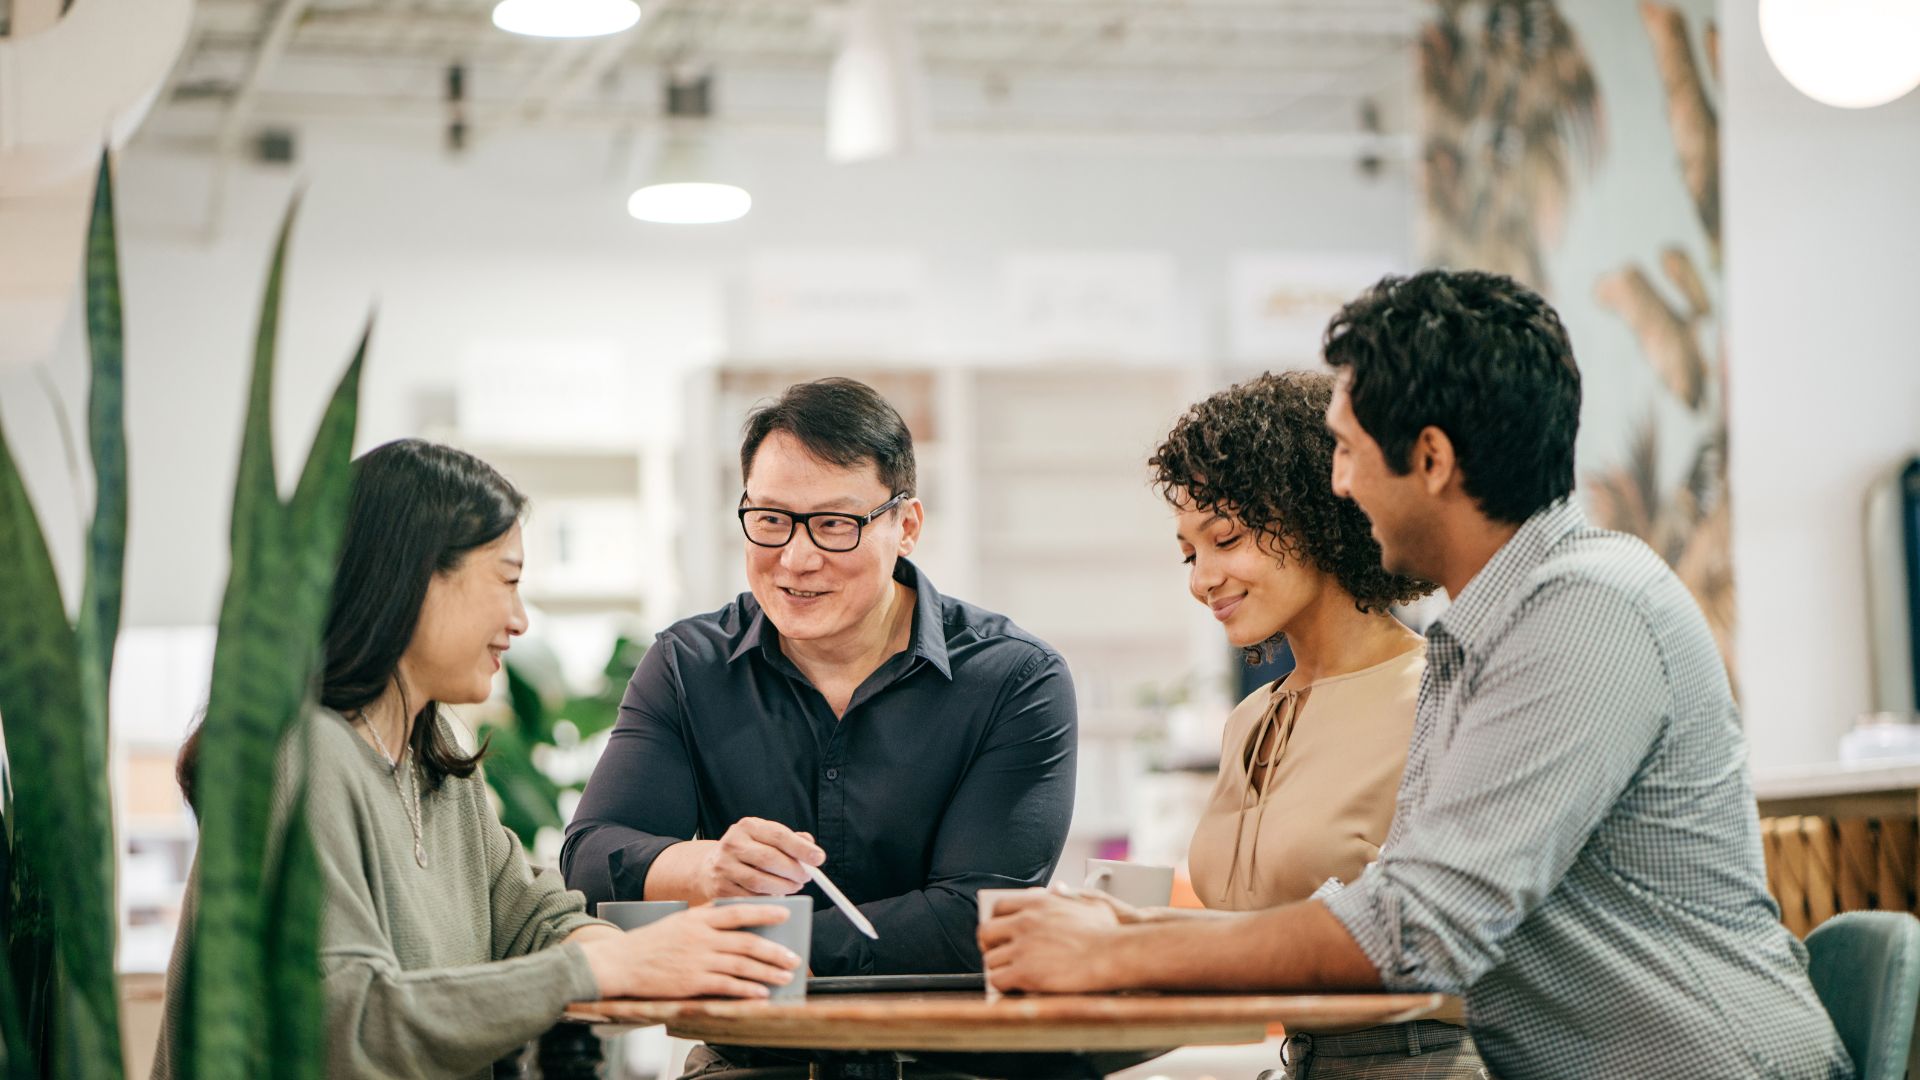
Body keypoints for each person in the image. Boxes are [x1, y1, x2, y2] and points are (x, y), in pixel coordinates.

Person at [980, 270, 1854, 1079]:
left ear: (1430, 460)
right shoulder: (1478, 639)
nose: (1337, 484)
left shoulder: (1584, 612)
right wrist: (1119, 928)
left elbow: (1419, 925)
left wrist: (1118, 950)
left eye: (1348, 451)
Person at [156, 439, 800, 1080]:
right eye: (508, 581)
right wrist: (604, 965)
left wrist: (643, 956)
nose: (520, 620)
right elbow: (347, 1024)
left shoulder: (437, 763)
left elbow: (536, 923)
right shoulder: (300, 755)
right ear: (413, 578)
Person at [562, 378, 1078, 1077]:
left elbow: (969, 925)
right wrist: (705, 868)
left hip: (959, 1064)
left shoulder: (1014, 680)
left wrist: (725, 944)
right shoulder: (690, 667)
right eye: (771, 519)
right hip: (754, 1062)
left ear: (908, 526)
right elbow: (591, 857)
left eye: (835, 524)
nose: (797, 558)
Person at [1130, 369, 1481, 1078]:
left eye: (1225, 540)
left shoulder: (1443, 697)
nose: (1201, 578)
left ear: (1317, 513)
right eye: (1188, 553)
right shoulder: (1249, 719)